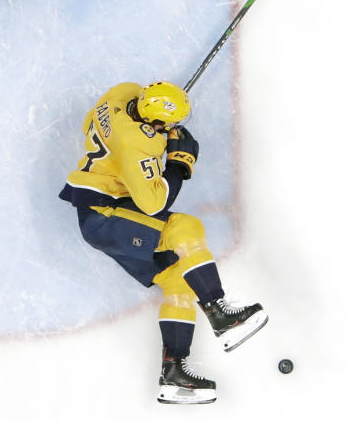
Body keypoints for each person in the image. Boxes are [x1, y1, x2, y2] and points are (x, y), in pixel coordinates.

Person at [57, 81, 268, 405]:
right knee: (186, 226)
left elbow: (92, 122)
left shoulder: (122, 93)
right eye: (164, 125)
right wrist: (179, 164)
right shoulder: (136, 142)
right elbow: (154, 204)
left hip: (102, 213)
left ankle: (174, 375)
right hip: (107, 215)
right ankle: (220, 314)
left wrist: (158, 130)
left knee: (178, 281)